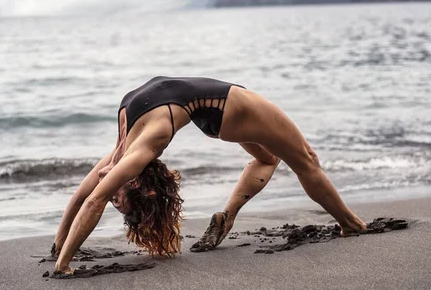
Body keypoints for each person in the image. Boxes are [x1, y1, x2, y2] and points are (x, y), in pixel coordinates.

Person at [52, 76, 366, 274]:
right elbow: (90, 197)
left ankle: (228, 215)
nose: (111, 199)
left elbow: (89, 197)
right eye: (117, 203)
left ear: (135, 183)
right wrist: (62, 255)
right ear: (136, 182)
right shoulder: (136, 151)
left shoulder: (126, 151)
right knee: (306, 161)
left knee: (270, 160)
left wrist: (61, 253)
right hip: (228, 108)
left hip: (220, 112)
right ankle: (351, 226)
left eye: (117, 202)